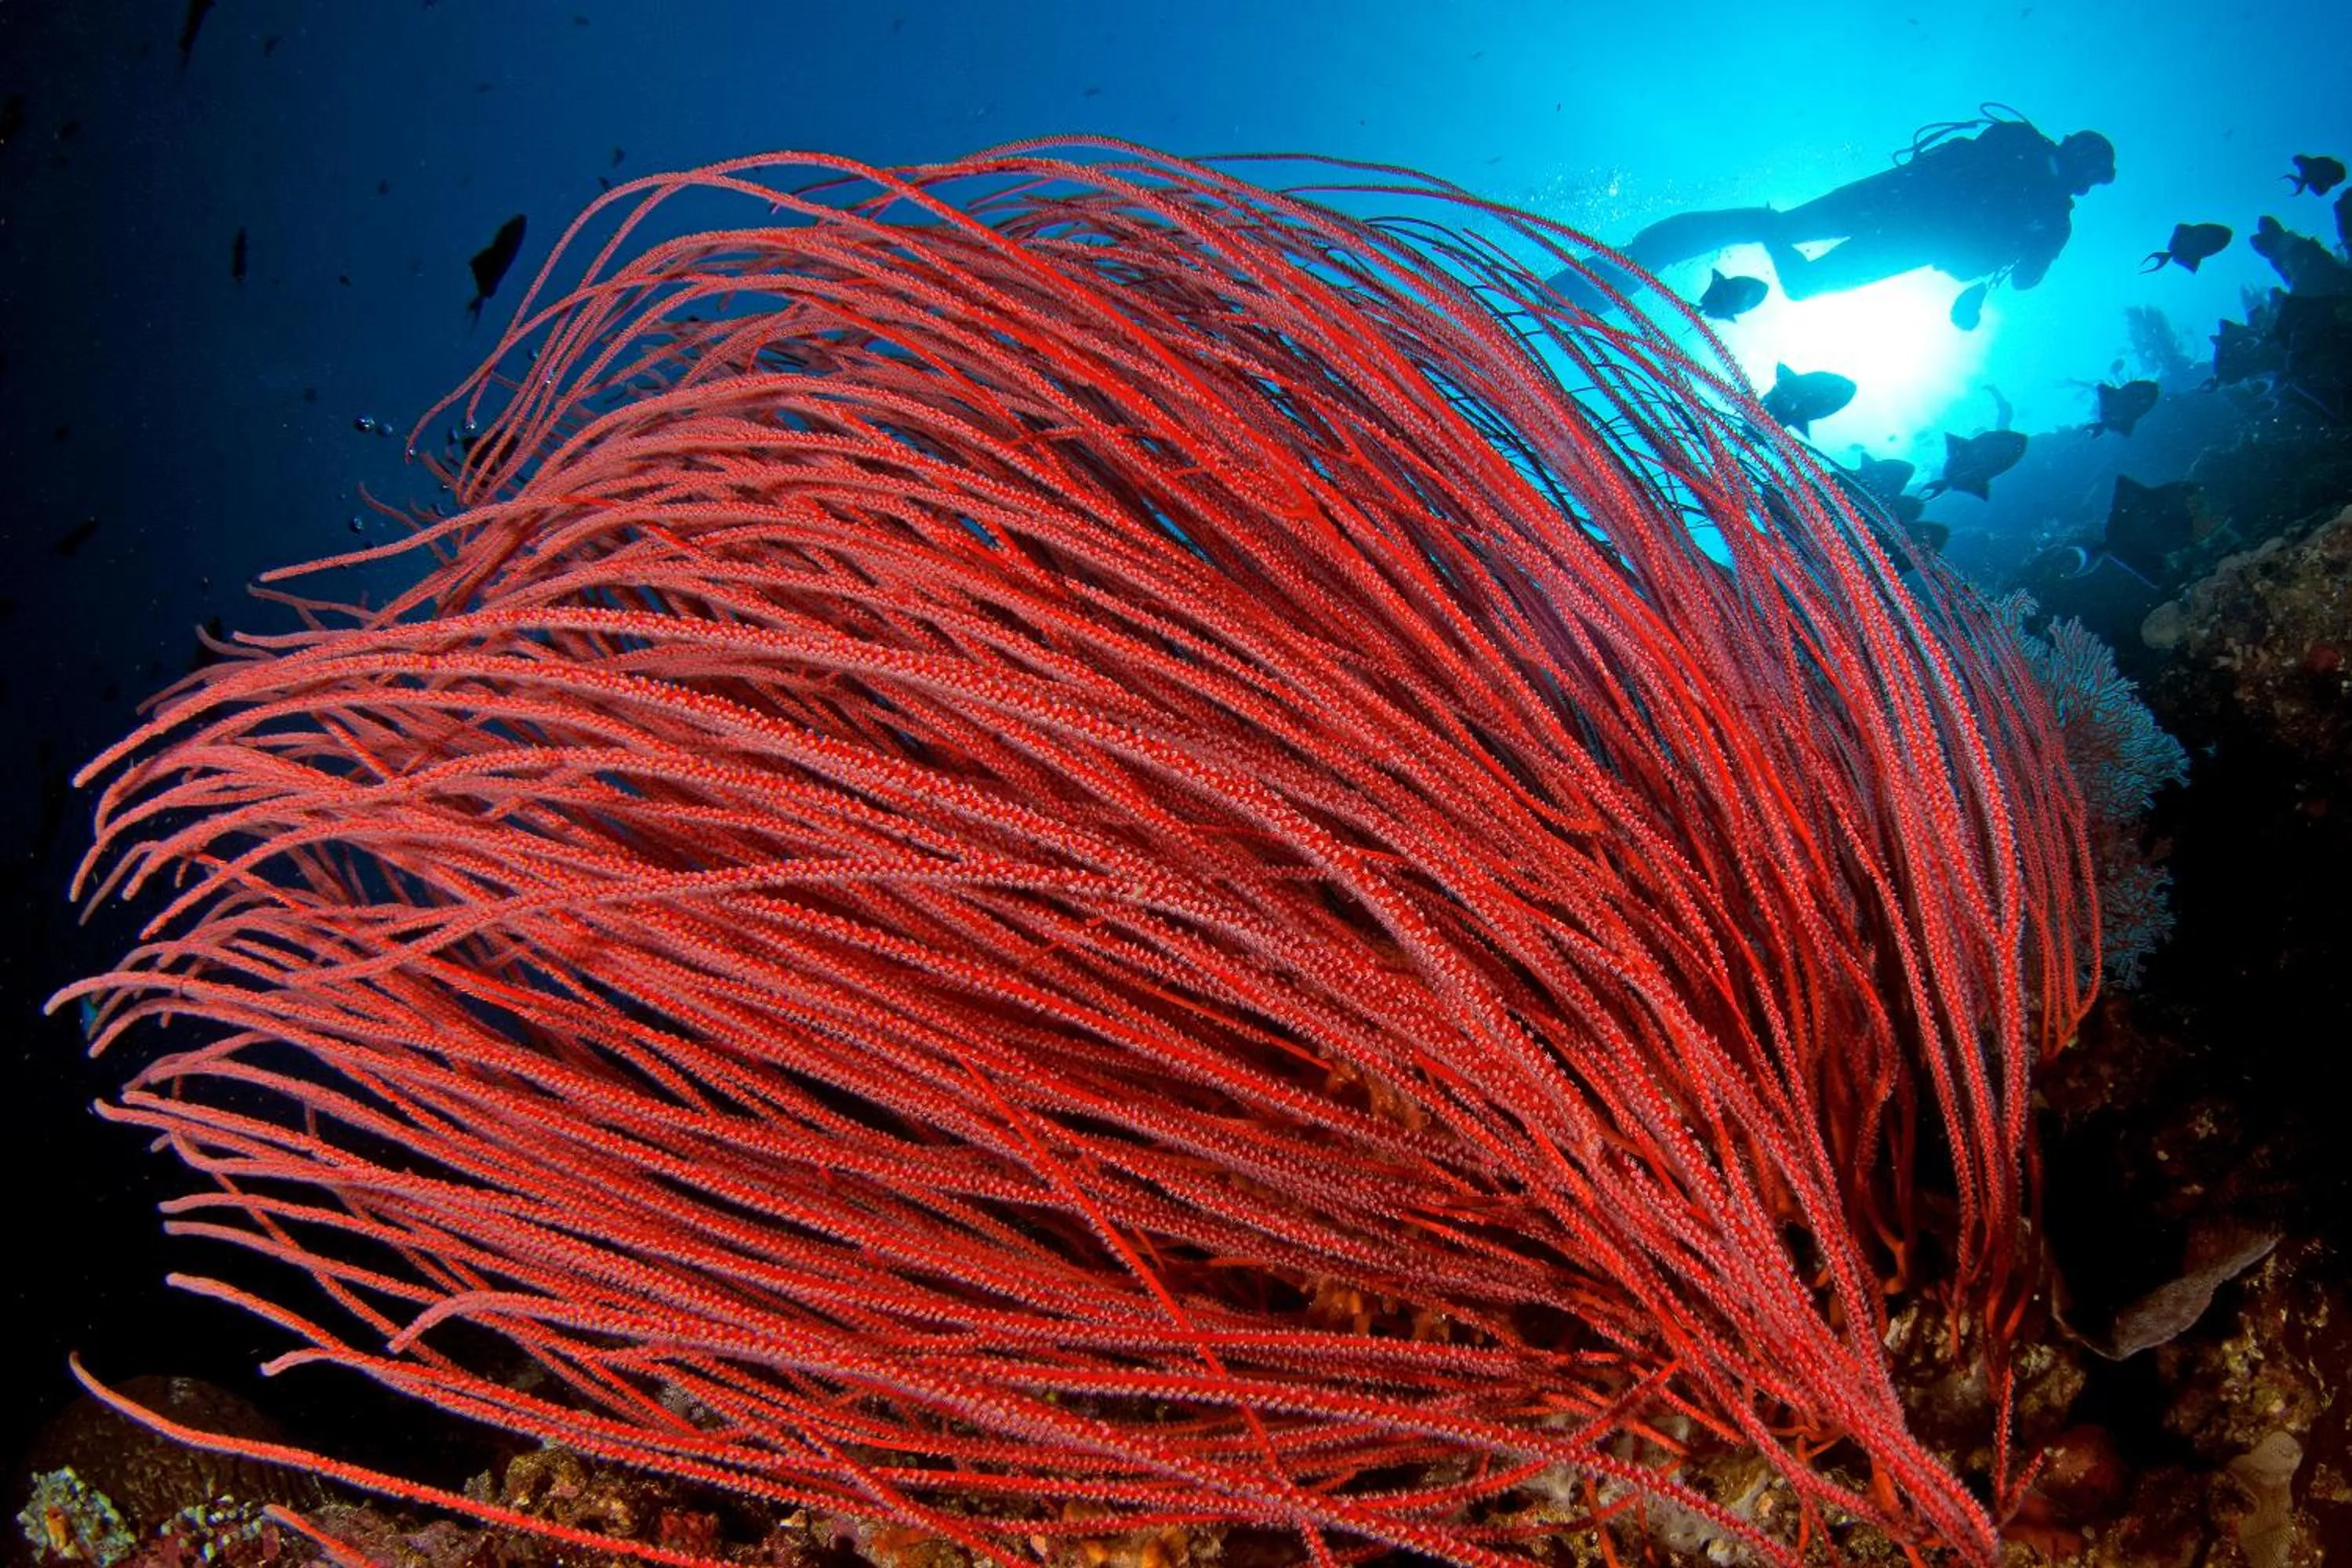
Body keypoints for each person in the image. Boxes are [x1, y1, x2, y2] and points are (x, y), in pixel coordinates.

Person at [1551, 115, 2115, 311]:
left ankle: (1648, 256)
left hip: (1904, 211)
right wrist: (2040, 233)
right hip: (1908, 215)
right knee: (1802, 270)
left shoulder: (2029, 165)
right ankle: (1626, 267)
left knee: (1793, 254)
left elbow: (2022, 277)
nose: (2082, 173)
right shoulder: (2050, 208)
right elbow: (2023, 279)